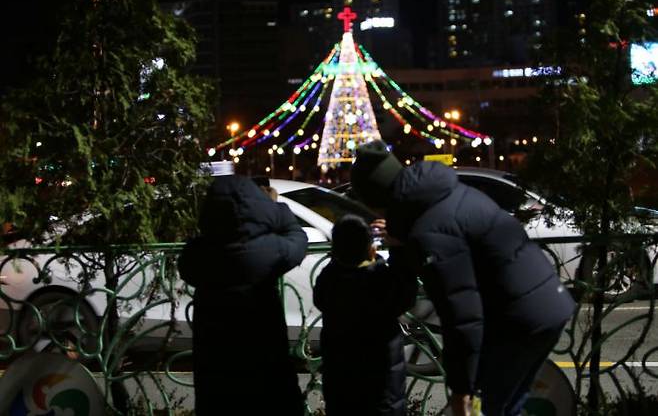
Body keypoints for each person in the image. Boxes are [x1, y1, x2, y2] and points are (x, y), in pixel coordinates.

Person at [350, 140, 576, 416]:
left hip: (520, 318)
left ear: (377, 202)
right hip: (544, 303)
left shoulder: (430, 232)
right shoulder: (443, 196)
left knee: (491, 408)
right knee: (507, 405)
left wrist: (461, 391)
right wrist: (400, 241)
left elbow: (461, 317)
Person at [177, 174, 308, 416]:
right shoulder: (270, 249)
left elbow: (187, 262)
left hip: (216, 372)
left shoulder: (197, 254)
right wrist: (277, 208)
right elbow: (298, 239)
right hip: (264, 366)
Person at [313, 214, 418, 416]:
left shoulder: (329, 280)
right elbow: (406, 291)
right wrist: (396, 247)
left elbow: (321, 297)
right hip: (382, 379)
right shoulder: (381, 280)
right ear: (371, 249)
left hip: (340, 377)